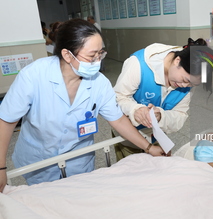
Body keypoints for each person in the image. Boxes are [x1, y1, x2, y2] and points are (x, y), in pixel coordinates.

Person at [0, 18, 165, 191]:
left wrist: (148, 147)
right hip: (39, 160)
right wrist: (1, 167)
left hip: (79, 161)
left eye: (100, 54)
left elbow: (118, 119)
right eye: (91, 55)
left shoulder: (99, 83)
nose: (97, 60)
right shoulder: (34, 76)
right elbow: (6, 120)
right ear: (67, 55)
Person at [113, 38, 213, 159]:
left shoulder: (188, 81)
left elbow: (179, 114)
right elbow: (118, 97)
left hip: (156, 136)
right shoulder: (140, 64)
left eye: (192, 85)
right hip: (129, 135)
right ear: (177, 61)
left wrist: (161, 116)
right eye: (185, 80)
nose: (185, 86)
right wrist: (135, 110)